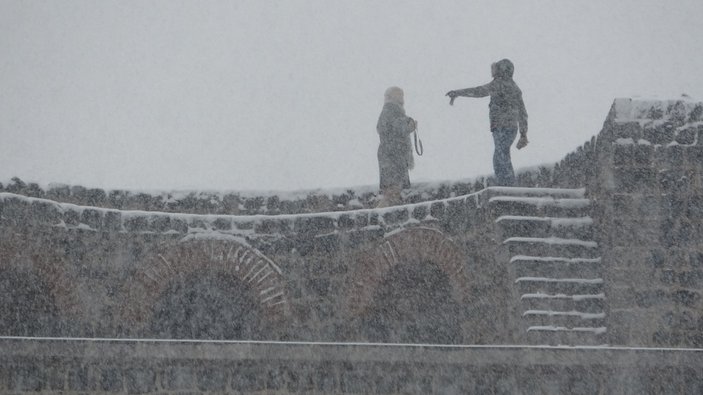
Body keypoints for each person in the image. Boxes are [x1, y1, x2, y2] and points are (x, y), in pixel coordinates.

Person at [446, 59, 528, 186]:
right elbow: (523, 113)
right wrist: (523, 133)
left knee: (500, 156)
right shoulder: (514, 87)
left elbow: (478, 91)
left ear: (501, 70)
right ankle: (507, 184)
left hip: (501, 126)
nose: (492, 72)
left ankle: (507, 185)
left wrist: (458, 93)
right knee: (502, 154)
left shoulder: (499, 84)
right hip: (511, 127)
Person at [376, 87, 416, 207]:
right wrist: (408, 124)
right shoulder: (390, 110)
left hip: (393, 155)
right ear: (391, 97)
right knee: (393, 190)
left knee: (395, 190)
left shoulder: (392, 111)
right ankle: (377, 214)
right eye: (399, 95)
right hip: (393, 156)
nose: (402, 97)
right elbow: (394, 127)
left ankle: (382, 212)